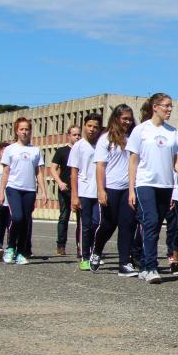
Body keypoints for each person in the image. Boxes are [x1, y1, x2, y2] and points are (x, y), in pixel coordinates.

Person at [127, 93, 178, 285]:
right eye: (166, 106)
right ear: (155, 107)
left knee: (156, 227)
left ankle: (142, 264)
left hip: (166, 185)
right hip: (145, 183)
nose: (169, 109)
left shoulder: (173, 132)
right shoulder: (141, 130)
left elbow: (175, 163)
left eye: (171, 106)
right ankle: (150, 266)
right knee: (150, 222)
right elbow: (133, 162)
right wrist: (131, 189)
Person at [91, 104, 141, 277]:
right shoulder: (106, 139)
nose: (127, 122)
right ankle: (97, 250)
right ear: (116, 118)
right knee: (108, 225)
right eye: (124, 118)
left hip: (129, 189)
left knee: (127, 225)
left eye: (129, 118)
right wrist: (101, 190)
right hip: (111, 188)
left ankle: (124, 263)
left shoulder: (134, 138)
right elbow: (100, 167)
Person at [0, 117, 48, 264]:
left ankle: (21, 252)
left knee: (26, 220)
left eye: (27, 129)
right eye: (22, 129)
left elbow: (39, 172)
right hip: (13, 188)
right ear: (16, 131)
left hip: (30, 189)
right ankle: (11, 247)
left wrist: (44, 191)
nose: (25, 132)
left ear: (30, 131)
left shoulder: (35, 150)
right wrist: (1, 192)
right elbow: (5, 172)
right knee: (17, 217)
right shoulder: (10, 149)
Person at [69, 113, 103, 270]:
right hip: (84, 191)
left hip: (100, 191)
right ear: (84, 126)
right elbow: (74, 172)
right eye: (89, 126)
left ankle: (95, 252)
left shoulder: (103, 144)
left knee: (98, 223)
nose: (92, 129)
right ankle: (85, 256)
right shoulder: (79, 146)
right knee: (86, 225)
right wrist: (74, 196)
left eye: (95, 127)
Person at [49, 126, 80, 255]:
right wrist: (60, 182)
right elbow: (52, 168)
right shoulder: (62, 151)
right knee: (64, 217)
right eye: (74, 135)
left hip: (79, 189)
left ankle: (81, 246)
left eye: (79, 135)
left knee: (82, 219)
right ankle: (61, 245)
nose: (77, 137)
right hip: (65, 189)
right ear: (69, 136)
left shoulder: (82, 150)